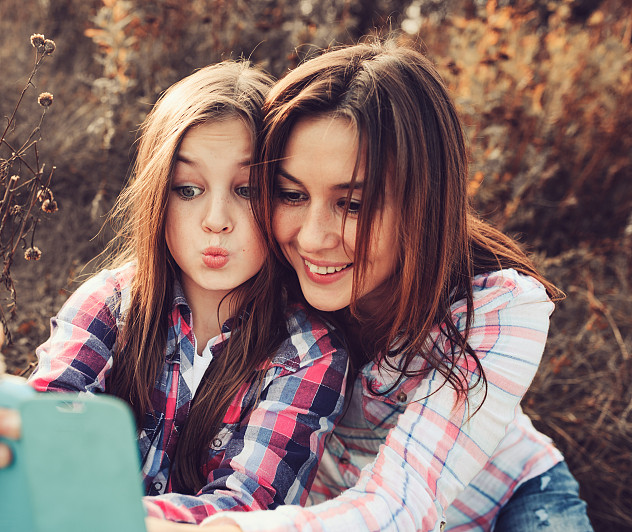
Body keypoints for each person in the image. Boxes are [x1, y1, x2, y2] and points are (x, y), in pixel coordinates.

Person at [0, 61, 349, 530]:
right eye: (187, 189)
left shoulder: (309, 352)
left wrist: (93, 511)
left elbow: (247, 510)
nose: (216, 219)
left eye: (245, 189)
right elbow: (40, 442)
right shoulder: (110, 303)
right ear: (157, 195)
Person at [151, 39, 593, 531]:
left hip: (509, 500)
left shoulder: (500, 309)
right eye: (292, 194)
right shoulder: (262, 278)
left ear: (422, 201)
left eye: (353, 204)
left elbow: (403, 501)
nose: (313, 238)